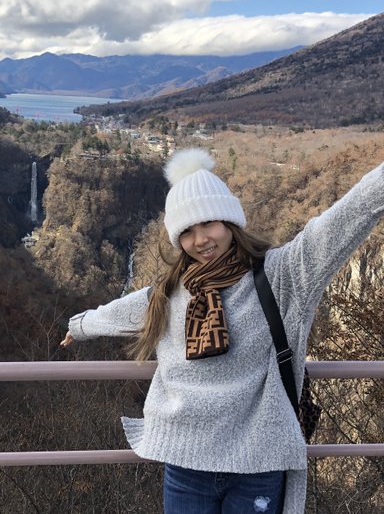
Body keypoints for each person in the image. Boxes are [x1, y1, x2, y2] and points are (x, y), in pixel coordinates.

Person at [60, 148, 384, 514]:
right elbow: (123, 311)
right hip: (185, 463)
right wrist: (81, 326)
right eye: (187, 231)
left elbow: (346, 217)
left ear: (230, 222)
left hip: (257, 462)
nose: (200, 240)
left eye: (209, 224)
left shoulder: (281, 276)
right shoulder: (169, 293)